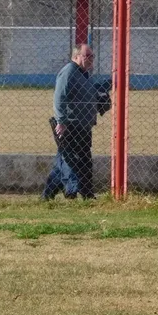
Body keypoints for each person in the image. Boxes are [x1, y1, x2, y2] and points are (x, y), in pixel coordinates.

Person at [42, 43, 103, 200]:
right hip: (71, 126)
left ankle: (47, 196)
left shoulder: (84, 74)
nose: (91, 59)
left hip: (83, 127)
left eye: (92, 56)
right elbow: (59, 97)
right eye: (87, 56)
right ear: (76, 57)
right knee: (74, 160)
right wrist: (61, 121)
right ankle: (75, 191)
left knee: (66, 162)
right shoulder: (69, 71)